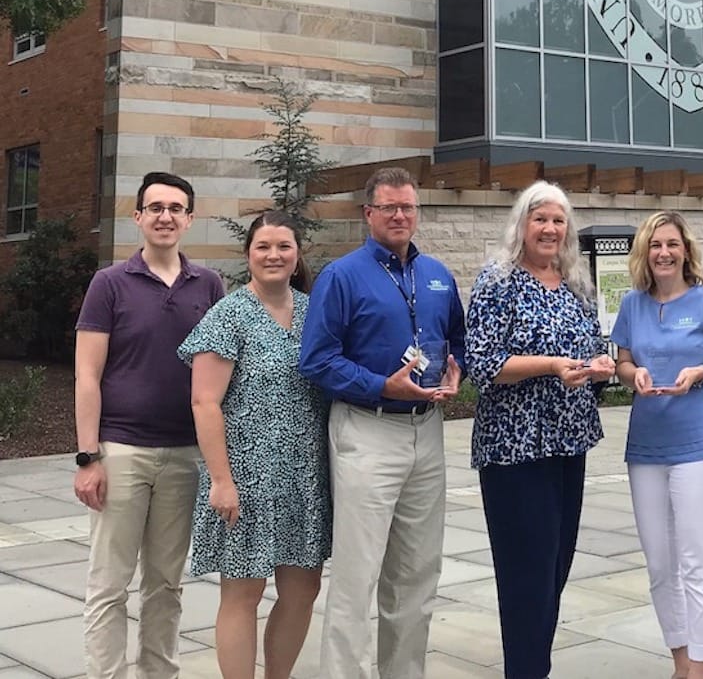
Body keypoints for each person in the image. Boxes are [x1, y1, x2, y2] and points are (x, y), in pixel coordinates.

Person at [299, 166, 465, 679]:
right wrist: (380, 385)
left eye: (408, 207)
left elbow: (456, 340)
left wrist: (458, 371)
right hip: (367, 430)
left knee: (417, 574)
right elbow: (317, 359)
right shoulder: (341, 276)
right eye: (389, 207)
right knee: (357, 574)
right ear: (368, 213)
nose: (399, 215)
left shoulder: (437, 274)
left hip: (427, 432)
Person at [74, 172, 226, 678]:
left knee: (166, 585)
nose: (165, 216)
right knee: (109, 585)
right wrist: (88, 456)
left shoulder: (208, 285)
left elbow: (221, 373)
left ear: (189, 218)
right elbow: (87, 375)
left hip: (184, 455)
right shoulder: (109, 284)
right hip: (121, 453)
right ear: (137, 217)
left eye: (175, 208)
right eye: (155, 207)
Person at [465, 181, 616, 679]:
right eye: (540, 219)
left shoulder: (575, 284)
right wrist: (551, 364)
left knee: (555, 567)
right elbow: (483, 363)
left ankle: (535, 667)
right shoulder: (499, 281)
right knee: (526, 575)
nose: (550, 229)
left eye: (557, 220)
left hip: (568, 442)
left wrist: (598, 368)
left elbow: (593, 346)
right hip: (515, 449)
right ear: (522, 226)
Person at [178, 211, 330, 679]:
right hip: (245, 476)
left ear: (297, 253)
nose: (274, 255)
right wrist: (221, 480)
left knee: (303, 589)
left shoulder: (313, 312)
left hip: (305, 476)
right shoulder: (229, 314)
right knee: (242, 592)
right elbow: (205, 402)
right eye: (264, 246)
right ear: (248, 254)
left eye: (283, 246)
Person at [611, 211, 703, 679]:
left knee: (694, 558)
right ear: (644, 254)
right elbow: (623, 363)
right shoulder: (632, 304)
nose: (664, 253)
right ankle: (679, 659)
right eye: (655, 245)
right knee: (659, 563)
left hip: (699, 444)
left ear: (686, 250)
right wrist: (635, 376)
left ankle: (700, 666)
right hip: (647, 446)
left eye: (671, 244)